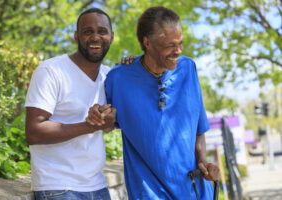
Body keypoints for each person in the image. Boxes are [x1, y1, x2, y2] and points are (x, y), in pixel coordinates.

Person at [86, 6, 219, 199]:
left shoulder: (188, 69)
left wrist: (203, 162)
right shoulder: (118, 79)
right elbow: (106, 124)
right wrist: (97, 115)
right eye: (170, 45)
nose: (178, 51)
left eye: (180, 43)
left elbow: (198, 129)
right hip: (148, 193)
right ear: (147, 43)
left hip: (194, 191)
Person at [25, 8, 117, 199]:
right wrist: (88, 126)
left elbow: (110, 125)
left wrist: (106, 119)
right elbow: (34, 131)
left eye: (102, 31)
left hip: (97, 185)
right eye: (87, 31)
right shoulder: (51, 71)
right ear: (77, 36)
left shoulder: (109, 76)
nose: (95, 37)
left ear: (111, 36)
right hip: (57, 186)